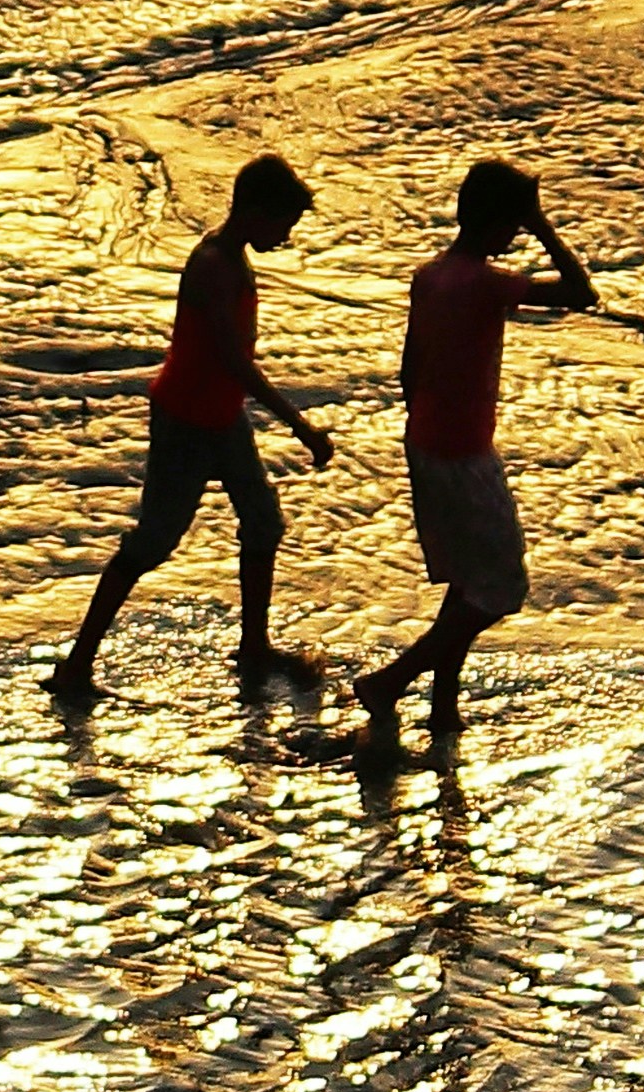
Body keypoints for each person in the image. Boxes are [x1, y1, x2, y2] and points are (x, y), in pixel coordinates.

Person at [45, 155, 338, 714]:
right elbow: (234, 360)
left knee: (262, 520)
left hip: (222, 416)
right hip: (186, 419)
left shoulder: (235, 257)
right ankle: (78, 664)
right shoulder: (211, 264)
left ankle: (254, 646)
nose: (286, 235)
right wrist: (300, 425)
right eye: (283, 223)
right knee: (153, 542)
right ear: (253, 210)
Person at [355, 157, 594, 765]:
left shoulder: (428, 276)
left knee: (465, 577)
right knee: (503, 585)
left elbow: (408, 370)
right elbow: (580, 292)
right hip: (463, 449)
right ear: (499, 224)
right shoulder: (488, 284)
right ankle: (391, 682)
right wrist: (544, 229)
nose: (516, 237)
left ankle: (443, 703)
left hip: (426, 441)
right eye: (513, 226)